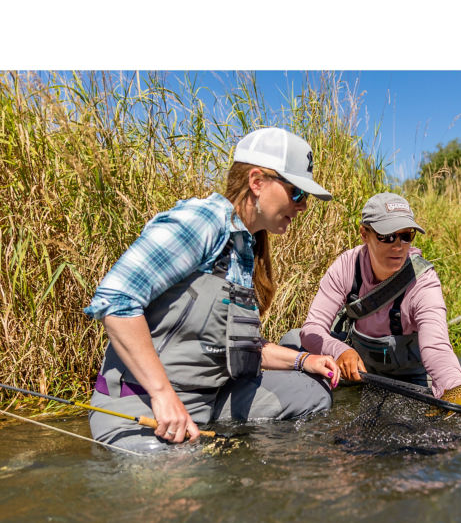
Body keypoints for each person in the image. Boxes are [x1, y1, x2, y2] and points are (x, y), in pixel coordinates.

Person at [84, 127, 341, 451]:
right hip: (143, 405)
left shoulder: (245, 247)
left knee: (313, 393)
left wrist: (305, 361)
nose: (302, 206)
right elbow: (116, 301)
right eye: (297, 193)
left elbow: (243, 347)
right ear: (257, 182)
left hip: (208, 400)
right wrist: (162, 394)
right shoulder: (203, 221)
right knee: (192, 481)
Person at [297, 192, 461, 411]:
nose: (399, 246)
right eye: (387, 236)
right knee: (292, 340)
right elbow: (311, 329)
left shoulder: (423, 282)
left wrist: (460, 394)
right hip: (359, 372)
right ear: (364, 234)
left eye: (406, 236)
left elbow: (437, 348)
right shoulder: (346, 267)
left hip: (411, 378)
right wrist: (340, 351)